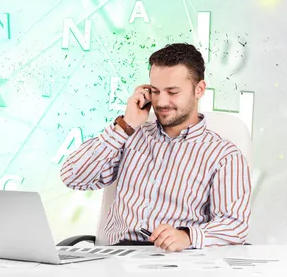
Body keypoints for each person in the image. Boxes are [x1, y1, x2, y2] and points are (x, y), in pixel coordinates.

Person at [60, 43, 251, 251]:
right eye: (155, 91)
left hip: (178, 260)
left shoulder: (224, 155)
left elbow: (235, 226)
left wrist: (188, 236)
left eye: (172, 92)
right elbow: (73, 176)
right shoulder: (130, 136)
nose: (161, 102)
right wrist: (126, 124)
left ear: (199, 90)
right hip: (118, 257)